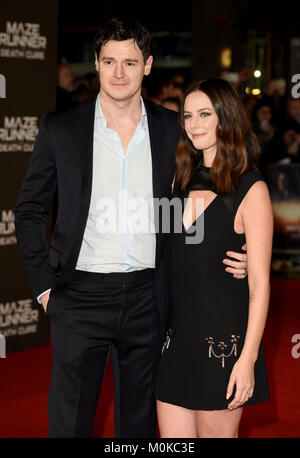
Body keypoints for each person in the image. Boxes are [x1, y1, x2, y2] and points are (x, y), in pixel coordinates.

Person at [14, 19, 248, 438]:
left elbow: (216, 185)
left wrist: (242, 248)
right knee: (68, 425)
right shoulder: (60, 129)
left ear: (148, 65)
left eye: (130, 62)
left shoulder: (173, 128)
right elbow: (29, 209)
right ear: (97, 65)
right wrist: (45, 290)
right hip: (77, 296)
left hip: (149, 297)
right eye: (109, 61)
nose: (119, 72)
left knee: (138, 427)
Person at [155, 78, 273, 438]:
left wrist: (248, 359)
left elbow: (260, 284)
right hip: (175, 345)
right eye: (188, 115)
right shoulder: (179, 181)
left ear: (227, 118)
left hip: (223, 349)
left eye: (205, 114)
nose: (194, 124)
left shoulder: (251, 189)